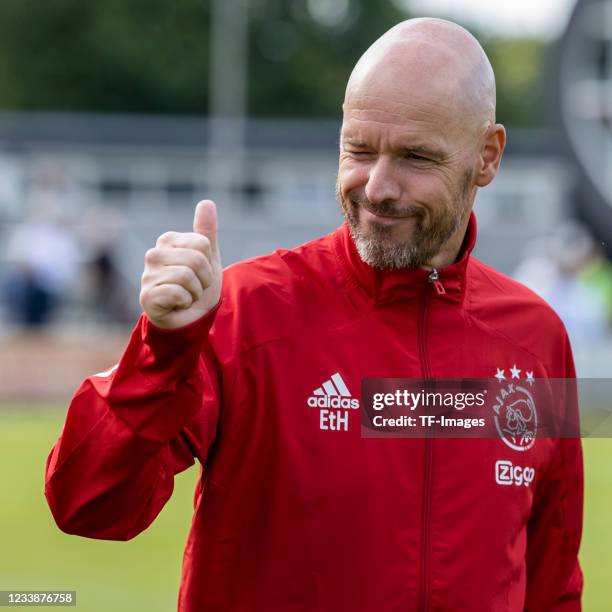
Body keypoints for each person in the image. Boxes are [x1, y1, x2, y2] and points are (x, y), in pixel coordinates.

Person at [45, 18, 583, 611]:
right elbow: (88, 505)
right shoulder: (243, 314)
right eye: (358, 149)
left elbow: (552, 581)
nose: (377, 186)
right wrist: (161, 350)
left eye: (415, 157)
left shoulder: (534, 340)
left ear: (487, 156)